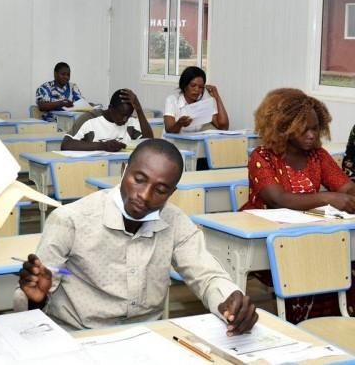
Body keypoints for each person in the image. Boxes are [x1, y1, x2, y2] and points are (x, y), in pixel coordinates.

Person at [19, 139, 258, 334]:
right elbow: (33, 292)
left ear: (171, 193)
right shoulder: (70, 220)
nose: (144, 195)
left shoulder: (175, 222)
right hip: (79, 336)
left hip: (148, 337)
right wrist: (36, 301)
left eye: (160, 190)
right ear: (124, 171)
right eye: (139, 179)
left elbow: (207, 276)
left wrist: (229, 301)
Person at [241, 88, 355, 322]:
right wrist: (329, 197)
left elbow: (345, 186)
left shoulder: (318, 156)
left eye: (315, 128)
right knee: (316, 263)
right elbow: (279, 200)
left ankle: (332, 326)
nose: (312, 135)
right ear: (283, 127)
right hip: (266, 238)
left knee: (339, 260)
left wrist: (348, 194)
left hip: (308, 233)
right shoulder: (262, 157)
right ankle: (304, 325)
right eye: (305, 129)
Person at [61, 89, 153, 152]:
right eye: (122, 115)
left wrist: (139, 109)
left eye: (128, 115)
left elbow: (150, 143)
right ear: (110, 108)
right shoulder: (89, 119)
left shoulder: (131, 121)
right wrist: (103, 146)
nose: (125, 119)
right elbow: (66, 145)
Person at [163, 66, 229, 134]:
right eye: (193, 85)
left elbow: (223, 127)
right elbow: (169, 130)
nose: (197, 90)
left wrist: (217, 97)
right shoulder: (172, 100)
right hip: (173, 143)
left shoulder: (203, 104)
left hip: (194, 143)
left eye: (201, 87)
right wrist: (179, 124)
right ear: (184, 85)